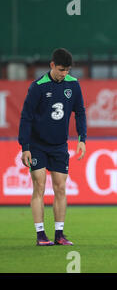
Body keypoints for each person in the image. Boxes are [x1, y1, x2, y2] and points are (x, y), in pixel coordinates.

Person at [18, 48, 87, 246]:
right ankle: (41, 235)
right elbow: (26, 116)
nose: (63, 74)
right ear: (51, 65)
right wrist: (25, 146)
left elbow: (80, 112)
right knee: (39, 186)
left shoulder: (73, 85)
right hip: (38, 145)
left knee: (60, 188)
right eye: (60, 69)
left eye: (67, 70)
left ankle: (59, 234)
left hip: (59, 146)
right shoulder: (38, 87)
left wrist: (82, 139)